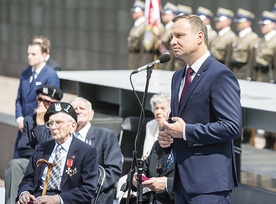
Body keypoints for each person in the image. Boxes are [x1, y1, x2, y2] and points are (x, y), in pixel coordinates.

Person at [158, 14, 242, 203]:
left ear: (199, 37)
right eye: (172, 36)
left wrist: (186, 131)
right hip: (181, 181)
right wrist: (168, 134)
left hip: (209, 185)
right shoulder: (178, 76)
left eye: (179, 35)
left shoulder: (220, 74)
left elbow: (232, 126)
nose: (172, 41)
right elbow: (181, 120)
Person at [17, 102, 98, 204]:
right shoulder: (41, 148)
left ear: (72, 127)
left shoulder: (86, 151)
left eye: (58, 122)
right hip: (38, 199)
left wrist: (58, 199)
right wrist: (25, 193)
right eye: (50, 123)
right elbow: (28, 179)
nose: (53, 127)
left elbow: (88, 189)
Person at [5, 85, 63, 204]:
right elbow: (22, 148)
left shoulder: (59, 122)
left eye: (47, 102)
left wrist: (41, 124)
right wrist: (37, 155)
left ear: (55, 104)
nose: (41, 104)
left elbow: (49, 148)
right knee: (15, 165)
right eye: (40, 99)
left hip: (53, 163)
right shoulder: (30, 120)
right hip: (32, 162)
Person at [70, 97, 122, 204]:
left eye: (82, 108)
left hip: (95, 195)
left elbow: (113, 170)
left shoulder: (105, 135)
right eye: (75, 109)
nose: (78, 111)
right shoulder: (65, 137)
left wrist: (87, 187)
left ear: (91, 114)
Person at [14, 41, 60, 158]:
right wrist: (19, 119)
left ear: (44, 55)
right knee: (16, 162)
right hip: (24, 125)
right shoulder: (25, 73)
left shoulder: (50, 75)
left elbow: (52, 102)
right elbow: (19, 99)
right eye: (28, 53)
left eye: (33, 54)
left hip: (39, 125)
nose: (29, 57)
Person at [252, 10, 276, 150]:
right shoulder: (262, 40)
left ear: (273, 24)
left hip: (270, 80)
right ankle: (267, 138)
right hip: (261, 79)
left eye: (265, 24)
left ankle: (272, 138)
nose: (262, 26)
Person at [142, 92, 171, 159]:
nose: (158, 112)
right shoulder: (150, 125)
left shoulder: (173, 127)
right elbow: (145, 153)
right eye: (156, 108)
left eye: (162, 108)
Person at [158, 3, 186, 71]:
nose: (163, 16)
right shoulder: (165, 28)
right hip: (165, 62)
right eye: (163, 14)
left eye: (166, 14)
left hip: (172, 64)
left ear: (173, 15)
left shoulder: (173, 29)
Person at [127, 0, 146, 69]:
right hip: (134, 57)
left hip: (139, 58)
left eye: (136, 11)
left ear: (142, 12)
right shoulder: (137, 24)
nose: (133, 13)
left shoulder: (144, 25)